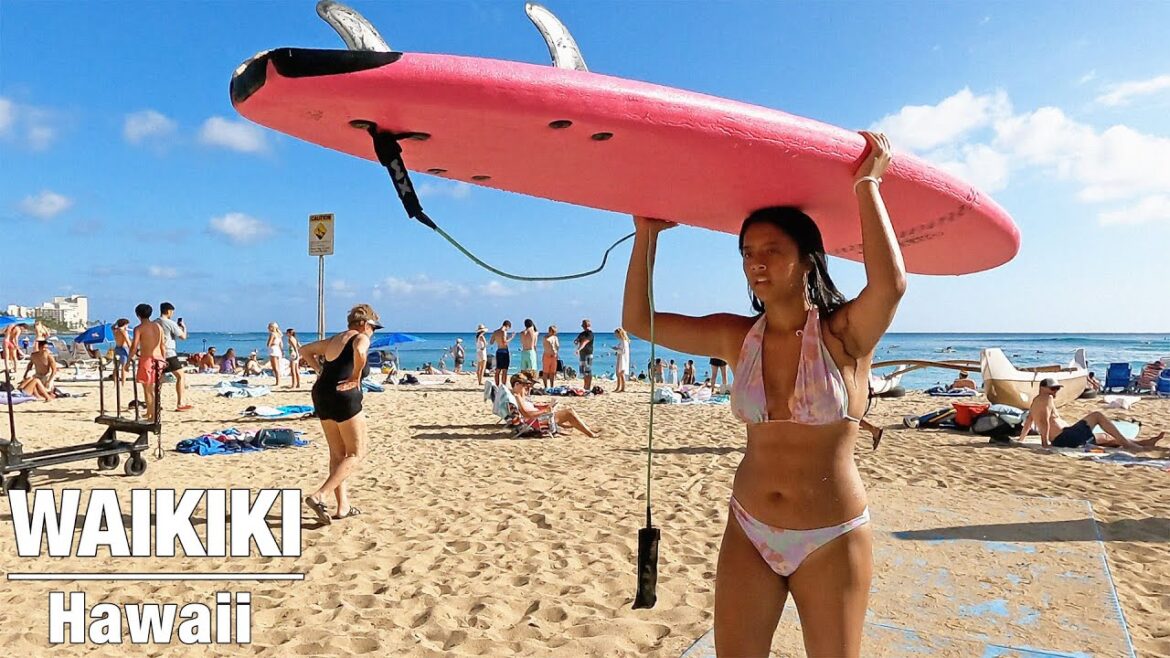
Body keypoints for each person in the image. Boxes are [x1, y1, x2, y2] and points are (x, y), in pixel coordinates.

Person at [623, 131, 903, 657]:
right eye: (748, 251)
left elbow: (890, 286)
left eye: (773, 250)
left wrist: (867, 185)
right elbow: (640, 322)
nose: (757, 261)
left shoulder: (845, 335)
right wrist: (647, 236)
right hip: (749, 528)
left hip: (831, 535)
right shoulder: (737, 337)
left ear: (808, 259)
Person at [300, 303, 382, 523]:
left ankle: (343, 506)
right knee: (357, 452)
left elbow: (304, 350)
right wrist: (356, 376)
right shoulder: (359, 337)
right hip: (344, 397)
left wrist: (320, 370)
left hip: (321, 394)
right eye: (373, 328)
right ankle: (320, 495)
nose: (373, 333)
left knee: (337, 454)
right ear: (365, 324)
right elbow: (360, 351)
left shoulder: (334, 340)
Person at [1018, 378, 1163, 451]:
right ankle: (1128, 444)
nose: (1055, 391)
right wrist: (1045, 444)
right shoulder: (1046, 399)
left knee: (1106, 438)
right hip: (1065, 437)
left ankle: (1145, 443)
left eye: (1057, 389)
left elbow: (1029, 422)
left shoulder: (1034, 403)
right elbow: (1044, 422)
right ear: (1042, 388)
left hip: (1065, 438)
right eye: (1053, 388)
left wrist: (1021, 440)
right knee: (1097, 415)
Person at [511, 372, 599, 438]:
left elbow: (529, 410)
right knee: (569, 412)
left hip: (538, 418)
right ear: (517, 384)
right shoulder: (517, 397)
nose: (525, 387)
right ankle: (590, 434)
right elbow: (527, 414)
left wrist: (546, 407)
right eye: (523, 385)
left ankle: (587, 429)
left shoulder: (519, 396)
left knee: (566, 412)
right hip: (537, 421)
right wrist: (545, 410)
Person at [130, 303, 166, 422]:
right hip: (159, 359)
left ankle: (153, 415)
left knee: (148, 389)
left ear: (137, 315)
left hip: (147, 359)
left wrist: (129, 360)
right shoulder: (158, 327)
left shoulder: (139, 328)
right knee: (151, 388)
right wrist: (164, 360)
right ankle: (150, 412)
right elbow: (162, 346)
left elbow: (134, 346)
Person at [156, 302, 191, 411]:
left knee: (158, 380)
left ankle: (155, 403)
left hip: (157, 354)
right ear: (168, 311)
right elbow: (183, 337)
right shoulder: (169, 323)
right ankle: (180, 403)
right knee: (180, 376)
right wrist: (184, 327)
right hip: (169, 353)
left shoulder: (155, 322)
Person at [491, 320, 514, 386]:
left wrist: (497, 340)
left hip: (498, 351)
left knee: (498, 370)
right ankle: (503, 386)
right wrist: (511, 337)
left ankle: (497, 385)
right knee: (504, 370)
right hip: (504, 351)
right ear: (507, 326)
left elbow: (491, 342)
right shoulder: (504, 332)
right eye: (508, 328)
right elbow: (504, 342)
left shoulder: (495, 332)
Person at [574, 319, 595, 390]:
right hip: (582, 354)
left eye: (585, 325)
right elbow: (577, 340)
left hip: (588, 354)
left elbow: (585, 342)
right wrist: (576, 341)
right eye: (583, 325)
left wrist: (578, 349)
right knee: (583, 371)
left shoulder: (590, 334)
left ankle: (588, 387)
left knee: (588, 370)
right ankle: (585, 386)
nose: (583, 326)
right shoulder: (582, 334)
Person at [113, 318, 132, 391]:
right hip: (124, 349)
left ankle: (115, 383)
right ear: (125, 324)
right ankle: (123, 384)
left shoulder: (115, 330)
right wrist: (133, 350)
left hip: (117, 348)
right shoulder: (123, 331)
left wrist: (116, 323)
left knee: (116, 367)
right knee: (124, 368)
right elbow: (127, 341)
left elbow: (112, 327)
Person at [612, 328, 630, 393]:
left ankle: (622, 388)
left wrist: (616, 349)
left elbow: (623, 351)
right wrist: (617, 349)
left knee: (620, 374)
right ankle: (619, 387)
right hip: (621, 357)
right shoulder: (622, 341)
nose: (615, 335)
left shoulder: (624, 342)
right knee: (619, 374)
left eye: (616, 334)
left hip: (622, 359)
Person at [266, 322, 283, 387]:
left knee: (275, 367)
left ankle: (277, 382)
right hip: (278, 350)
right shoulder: (279, 334)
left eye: (269, 327)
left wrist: (270, 344)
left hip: (273, 350)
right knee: (277, 367)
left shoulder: (272, 334)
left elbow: (268, 344)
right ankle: (278, 381)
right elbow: (281, 345)